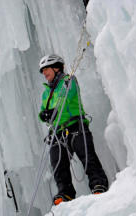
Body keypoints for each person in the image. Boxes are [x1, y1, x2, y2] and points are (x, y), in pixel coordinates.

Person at [38, 53, 109, 206]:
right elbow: (43, 110)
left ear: (56, 68)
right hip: (57, 133)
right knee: (58, 163)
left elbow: (66, 98)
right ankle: (65, 193)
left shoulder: (68, 81)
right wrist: (43, 115)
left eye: (46, 69)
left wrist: (53, 109)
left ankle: (98, 184)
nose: (44, 73)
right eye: (42, 71)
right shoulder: (46, 93)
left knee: (87, 157)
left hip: (75, 126)